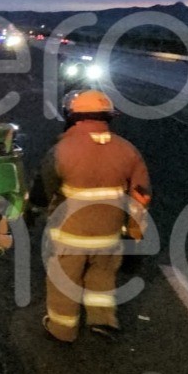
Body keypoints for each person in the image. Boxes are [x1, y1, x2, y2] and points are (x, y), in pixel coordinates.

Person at [29, 90, 150, 343]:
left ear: (72, 117)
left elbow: (41, 194)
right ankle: (103, 321)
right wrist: (135, 236)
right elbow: (140, 199)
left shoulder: (61, 150)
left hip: (70, 236)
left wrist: (30, 214)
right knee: (102, 278)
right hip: (109, 237)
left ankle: (62, 329)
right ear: (108, 117)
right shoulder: (128, 151)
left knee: (64, 283)